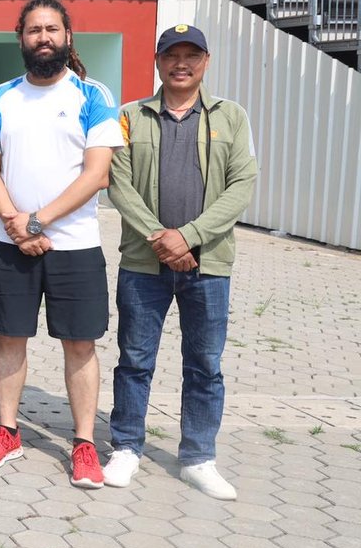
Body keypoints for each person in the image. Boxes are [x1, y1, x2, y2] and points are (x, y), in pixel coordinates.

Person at [0, 0, 124, 489]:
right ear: (21, 38)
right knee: (9, 337)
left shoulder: (92, 95)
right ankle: (7, 431)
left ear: (67, 36)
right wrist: (16, 225)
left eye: (51, 29)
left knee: (80, 344)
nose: (43, 38)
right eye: (34, 30)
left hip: (74, 245)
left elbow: (97, 174)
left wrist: (36, 223)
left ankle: (84, 444)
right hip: (9, 243)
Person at [104, 25, 258, 500]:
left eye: (192, 55)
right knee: (134, 360)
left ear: (205, 62)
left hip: (207, 265)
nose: (181, 64)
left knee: (205, 365)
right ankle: (126, 447)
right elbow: (118, 184)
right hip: (144, 263)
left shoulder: (231, 117)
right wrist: (161, 238)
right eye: (172, 55)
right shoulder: (130, 116)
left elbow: (242, 185)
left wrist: (188, 237)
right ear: (158, 61)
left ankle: (198, 457)